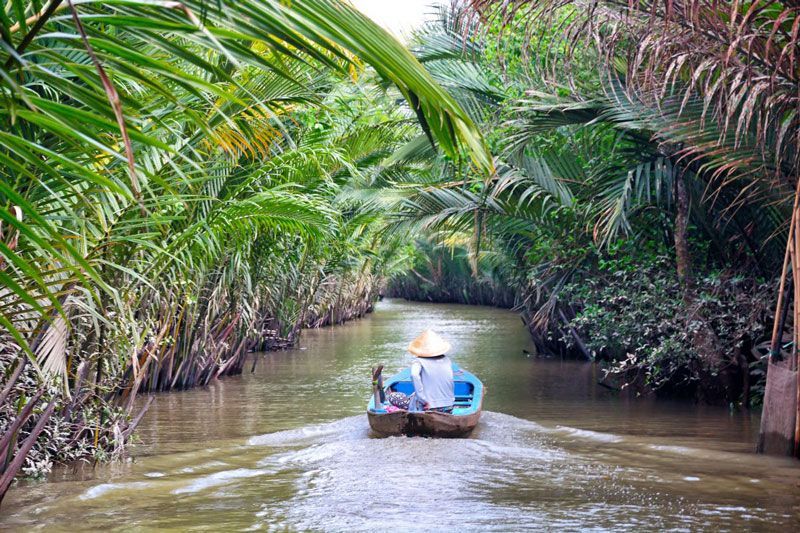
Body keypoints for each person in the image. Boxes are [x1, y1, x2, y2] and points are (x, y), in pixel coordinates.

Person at [386, 330, 455, 413]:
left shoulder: (419, 361)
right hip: (449, 406)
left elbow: (414, 375)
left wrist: (423, 400)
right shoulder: (447, 360)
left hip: (428, 407)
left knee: (393, 396)